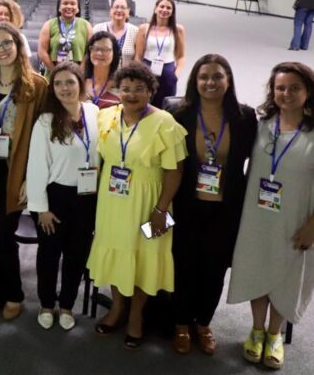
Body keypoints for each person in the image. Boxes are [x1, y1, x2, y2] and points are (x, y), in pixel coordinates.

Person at [87, 62, 187, 348]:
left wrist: (161, 210)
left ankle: (136, 315)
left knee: (145, 256)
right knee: (115, 251)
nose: (131, 95)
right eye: (125, 89)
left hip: (149, 202)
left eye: (139, 89)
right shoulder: (106, 116)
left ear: (151, 91)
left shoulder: (165, 123)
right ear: (116, 90)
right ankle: (118, 307)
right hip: (112, 200)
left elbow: (174, 171)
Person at [168, 54, 257, 355]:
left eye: (217, 76)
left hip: (226, 206)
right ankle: (181, 322)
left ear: (228, 80)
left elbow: (252, 163)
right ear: (195, 80)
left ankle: (203, 323)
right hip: (187, 205)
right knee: (184, 263)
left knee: (215, 268)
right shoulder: (179, 113)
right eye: (204, 76)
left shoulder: (244, 117)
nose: (210, 82)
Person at [227, 62, 314, 369]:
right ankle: (256, 329)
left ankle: (275, 335)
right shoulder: (262, 124)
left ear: (308, 92)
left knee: (285, 273)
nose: (286, 94)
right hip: (256, 215)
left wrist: (312, 227)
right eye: (280, 88)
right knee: (257, 267)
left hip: (296, 219)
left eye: (294, 88)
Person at [0, 23, 49, 322]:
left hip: (15, 170)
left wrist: (32, 179)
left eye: (7, 43)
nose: (1, 49)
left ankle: (13, 294)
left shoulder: (38, 86)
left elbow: (44, 139)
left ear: (19, 46)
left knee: (3, 235)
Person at [26, 62, 99, 330]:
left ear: (81, 84)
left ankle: (67, 304)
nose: (64, 88)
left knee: (76, 253)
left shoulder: (94, 112)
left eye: (70, 82)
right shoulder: (46, 121)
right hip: (55, 196)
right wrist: (41, 209)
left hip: (87, 195)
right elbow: (36, 166)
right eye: (58, 83)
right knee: (49, 253)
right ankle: (47, 303)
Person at [135, 0, 186, 107]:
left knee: (165, 108)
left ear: (172, 12)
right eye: (161, 6)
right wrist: (140, 74)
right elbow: (138, 55)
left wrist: (175, 75)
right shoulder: (144, 28)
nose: (164, 10)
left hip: (168, 73)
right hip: (147, 70)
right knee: (145, 105)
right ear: (155, 9)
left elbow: (181, 56)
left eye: (168, 8)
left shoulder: (178, 30)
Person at [38, 0, 93, 72]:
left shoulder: (86, 25)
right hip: (53, 72)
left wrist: (79, 72)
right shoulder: (48, 25)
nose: (69, 6)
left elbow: (89, 52)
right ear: (59, 7)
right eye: (65, 3)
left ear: (78, 9)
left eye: (73, 4)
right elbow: (42, 52)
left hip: (78, 74)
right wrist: (55, 72)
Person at [93, 0, 139, 67]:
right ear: (111, 10)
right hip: (102, 74)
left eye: (123, 7)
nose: (119, 10)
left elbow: (137, 58)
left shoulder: (135, 31)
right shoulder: (98, 28)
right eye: (116, 7)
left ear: (128, 11)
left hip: (125, 76)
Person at [83, 32, 122, 108]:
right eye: (96, 48)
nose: (100, 53)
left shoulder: (120, 84)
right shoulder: (80, 80)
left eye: (106, 49)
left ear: (115, 54)